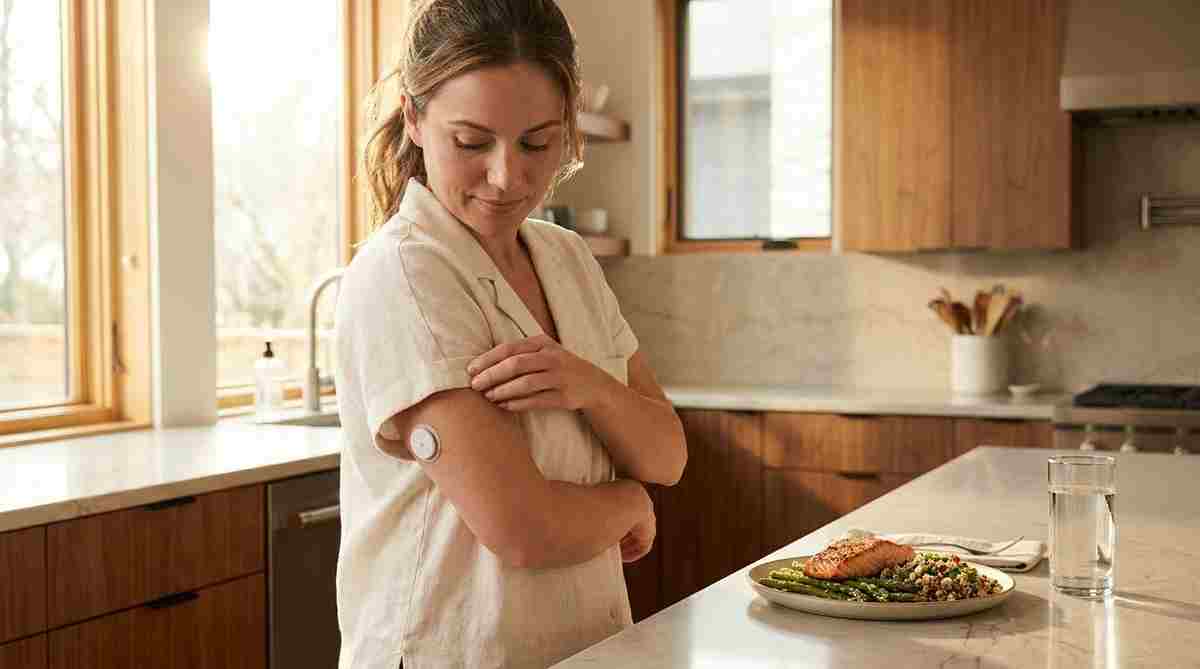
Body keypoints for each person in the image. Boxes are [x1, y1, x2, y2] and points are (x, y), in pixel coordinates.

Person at [333, 1, 688, 667]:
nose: (508, 176)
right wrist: (631, 501)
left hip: (584, 644)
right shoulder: (404, 277)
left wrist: (590, 386)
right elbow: (521, 528)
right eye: (471, 142)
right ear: (414, 118)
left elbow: (667, 452)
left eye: (537, 142)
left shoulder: (567, 257)